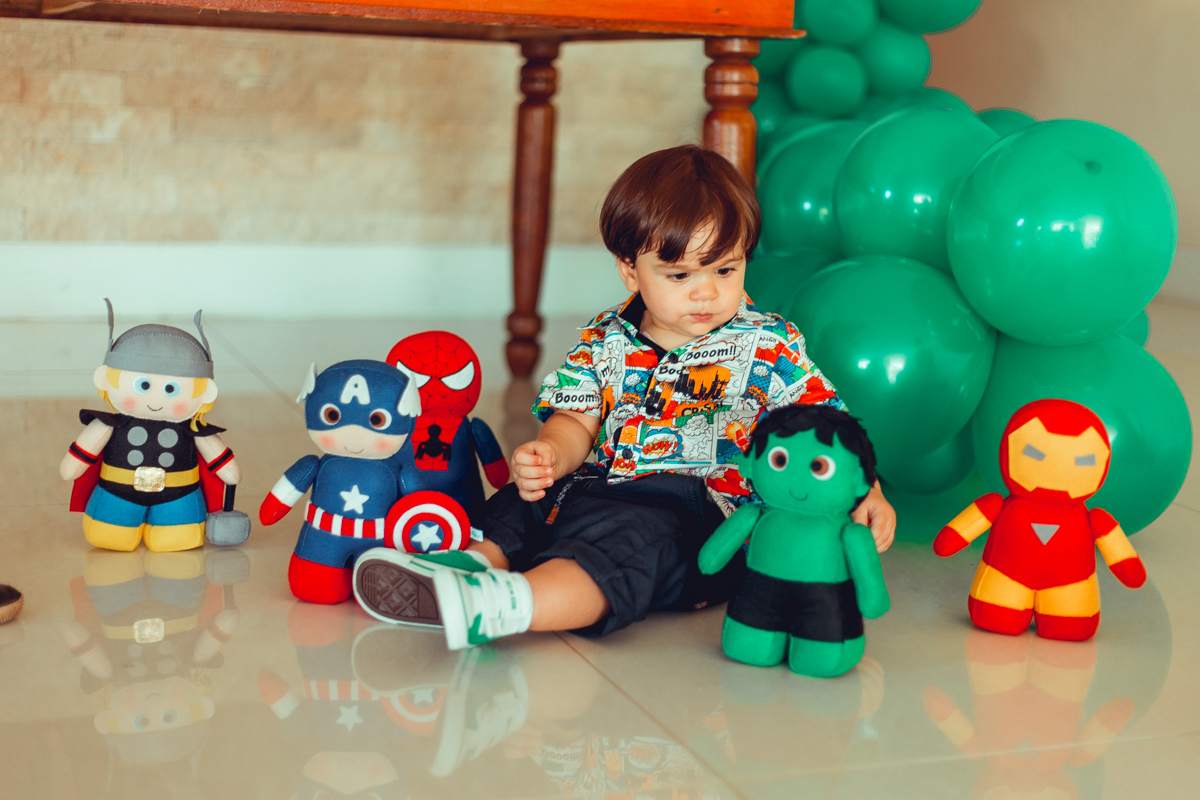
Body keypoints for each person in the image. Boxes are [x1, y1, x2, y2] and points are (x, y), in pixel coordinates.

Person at [352, 145, 896, 649]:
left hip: (700, 516)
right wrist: (551, 453)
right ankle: (472, 565)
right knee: (527, 502)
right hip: (599, 485)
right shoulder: (604, 338)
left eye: (725, 269)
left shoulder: (768, 346)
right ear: (630, 271)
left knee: (619, 545)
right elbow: (576, 420)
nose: (707, 291)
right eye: (679, 275)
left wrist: (864, 490)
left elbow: (829, 429)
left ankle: (510, 604)